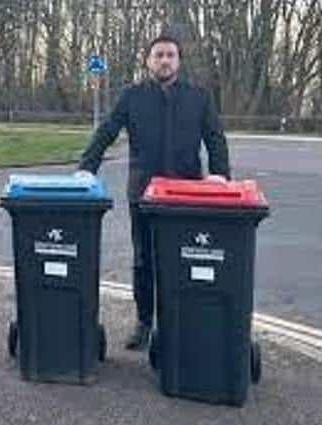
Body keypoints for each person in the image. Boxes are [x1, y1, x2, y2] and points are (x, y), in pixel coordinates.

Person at [77, 35, 231, 350]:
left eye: (170, 55)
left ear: (178, 61)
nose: (164, 60)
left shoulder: (198, 97)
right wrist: (86, 169)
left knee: (185, 260)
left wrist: (220, 177)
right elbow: (106, 131)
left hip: (187, 195)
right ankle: (144, 322)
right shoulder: (132, 96)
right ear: (148, 61)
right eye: (158, 55)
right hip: (144, 194)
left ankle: (180, 323)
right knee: (143, 260)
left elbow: (215, 138)